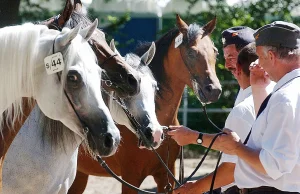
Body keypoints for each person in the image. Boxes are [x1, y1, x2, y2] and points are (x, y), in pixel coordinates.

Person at [170, 21, 300, 194]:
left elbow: (273, 165)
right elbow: (264, 136)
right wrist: (259, 88)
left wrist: (236, 147)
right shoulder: (285, 91)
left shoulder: (283, 98)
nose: (258, 64)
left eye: (259, 57)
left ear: (271, 56)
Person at [221, 26, 255, 106]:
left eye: (231, 58)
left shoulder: (267, 91)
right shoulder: (244, 89)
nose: (226, 66)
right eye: (225, 59)